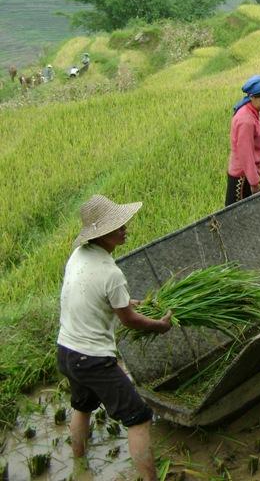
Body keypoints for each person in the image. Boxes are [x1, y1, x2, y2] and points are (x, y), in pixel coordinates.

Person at [57, 195, 173, 481]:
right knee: (139, 417)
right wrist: (159, 325)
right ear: (101, 234)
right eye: (117, 225)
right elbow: (129, 321)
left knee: (82, 406)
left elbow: (97, 297)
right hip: (93, 359)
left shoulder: (79, 256)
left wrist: (125, 302)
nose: (125, 228)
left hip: (66, 351)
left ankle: (79, 466)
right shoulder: (111, 273)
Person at [226, 74, 260, 206]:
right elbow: (245, 153)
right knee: (237, 217)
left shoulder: (253, 110)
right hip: (242, 178)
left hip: (249, 173)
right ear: (252, 97)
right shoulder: (245, 120)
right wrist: (254, 182)